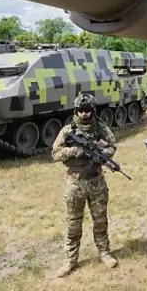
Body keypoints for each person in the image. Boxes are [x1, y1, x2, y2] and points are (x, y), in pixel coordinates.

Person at [51, 92, 119, 277]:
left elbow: (112, 146)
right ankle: (70, 260)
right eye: (81, 110)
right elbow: (55, 153)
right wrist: (75, 151)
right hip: (75, 183)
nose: (84, 114)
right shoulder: (67, 131)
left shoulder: (101, 128)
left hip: (96, 181)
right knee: (73, 223)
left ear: (93, 110)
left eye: (87, 110)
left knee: (100, 220)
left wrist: (102, 153)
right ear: (76, 110)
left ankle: (104, 253)